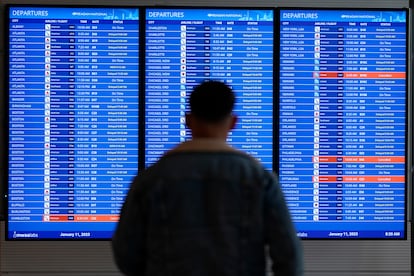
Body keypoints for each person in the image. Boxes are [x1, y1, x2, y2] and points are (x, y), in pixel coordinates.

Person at [112, 80, 304, 276]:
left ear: (188, 120)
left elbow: (126, 254)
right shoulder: (259, 179)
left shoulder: (150, 180)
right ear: (233, 122)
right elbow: (288, 256)